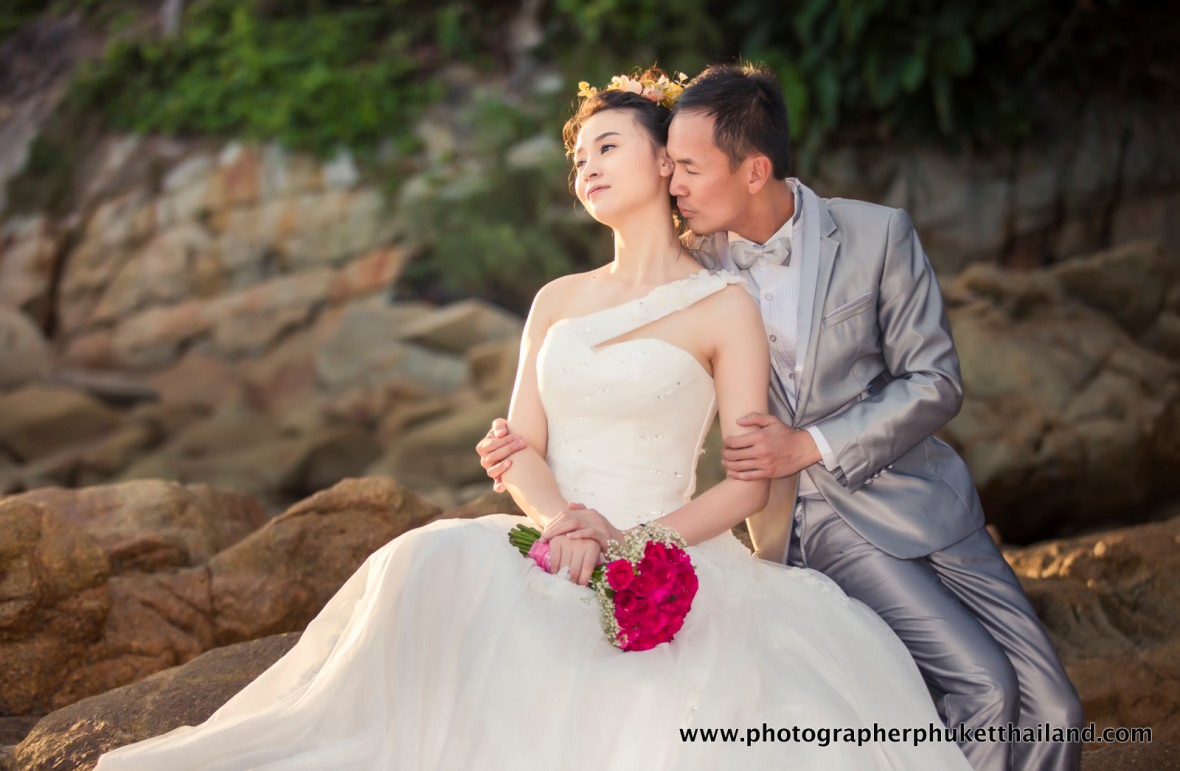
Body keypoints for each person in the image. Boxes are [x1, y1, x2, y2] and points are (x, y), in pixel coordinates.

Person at [96, 70, 971, 770]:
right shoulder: (556, 299)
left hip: (659, 544)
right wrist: (564, 529)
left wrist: (633, 544)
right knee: (424, 560)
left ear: (667, 163)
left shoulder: (722, 305)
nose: (583, 166)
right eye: (577, 154)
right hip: (556, 539)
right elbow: (519, 447)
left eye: (606, 146)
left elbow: (748, 481)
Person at [479, 64, 1084, 771]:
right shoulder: (695, 271)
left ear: (755, 170)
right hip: (807, 521)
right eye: (668, 163)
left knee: (1059, 711)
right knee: (985, 685)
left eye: (688, 168)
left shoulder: (877, 235)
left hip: (915, 492)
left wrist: (809, 443)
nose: (674, 181)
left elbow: (936, 379)